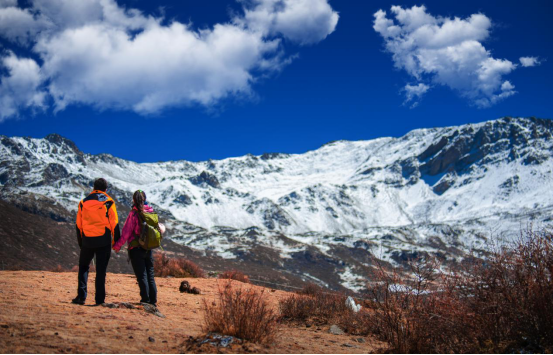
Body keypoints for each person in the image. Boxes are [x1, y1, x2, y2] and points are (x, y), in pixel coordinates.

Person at [73, 178, 120, 306]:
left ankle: (81, 296)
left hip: (87, 239)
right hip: (103, 240)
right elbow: (114, 223)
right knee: (101, 271)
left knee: (83, 267)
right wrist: (116, 241)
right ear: (106, 189)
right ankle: (99, 300)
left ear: (94, 188)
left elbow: (79, 225)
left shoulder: (83, 202)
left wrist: (81, 242)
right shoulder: (109, 202)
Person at [113, 190, 162, 307]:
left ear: (134, 200)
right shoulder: (150, 212)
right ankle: (153, 300)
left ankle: (145, 299)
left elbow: (126, 232)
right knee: (150, 274)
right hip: (148, 248)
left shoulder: (134, 214)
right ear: (144, 199)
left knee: (141, 275)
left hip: (135, 248)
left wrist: (117, 245)